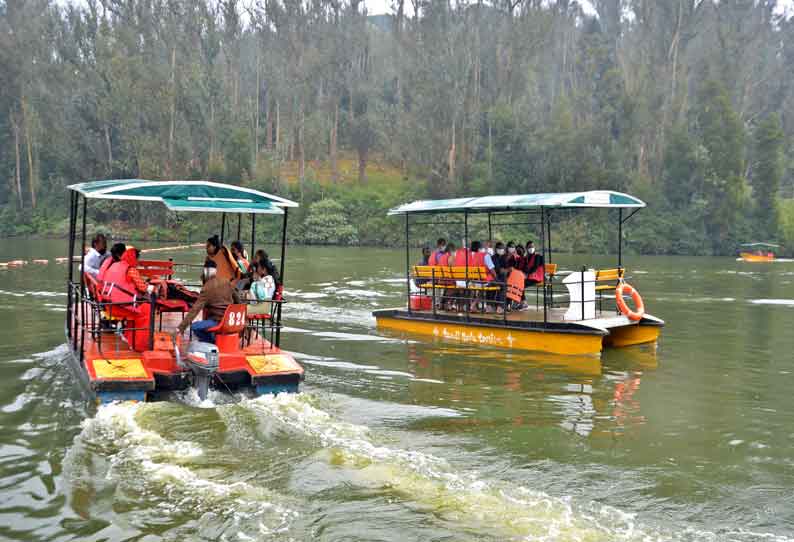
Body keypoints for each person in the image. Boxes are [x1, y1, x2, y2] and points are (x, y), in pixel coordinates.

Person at [176, 260, 241, 343]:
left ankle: (212, 342)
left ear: (205, 271)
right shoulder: (227, 282)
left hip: (218, 322)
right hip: (231, 321)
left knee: (195, 327)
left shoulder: (207, 288)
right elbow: (238, 301)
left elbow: (195, 310)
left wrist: (181, 328)